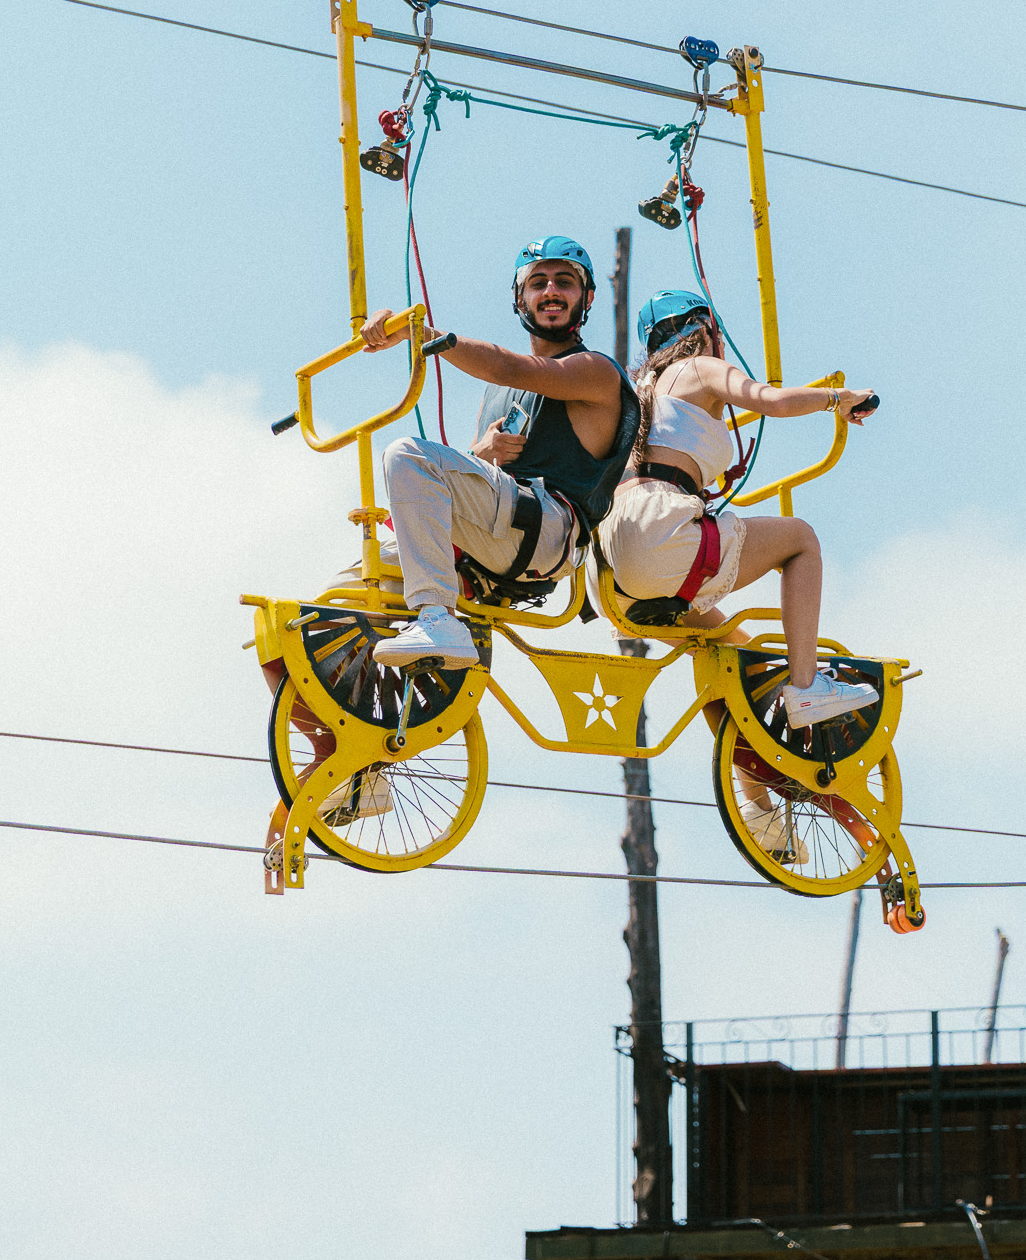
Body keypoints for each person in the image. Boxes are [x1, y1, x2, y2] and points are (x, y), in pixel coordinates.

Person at [597, 289, 881, 844]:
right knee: (800, 540)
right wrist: (839, 397)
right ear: (705, 329)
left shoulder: (639, 394)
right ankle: (806, 687)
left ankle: (760, 811)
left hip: (615, 568)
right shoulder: (700, 367)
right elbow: (769, 399)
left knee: (731, 654)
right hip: (659, 536)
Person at [357, 235, 640, 669]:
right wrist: (481, 452)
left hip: (547, 530)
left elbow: (511, 366)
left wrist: (418, 333)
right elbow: (471, 475)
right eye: (538, 283)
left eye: (564, 282)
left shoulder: (596, 372)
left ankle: (438, 619)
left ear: (587, 298)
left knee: (408, 455)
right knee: (354, 587)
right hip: (502, 527)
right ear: (519, 299)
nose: (551, 291)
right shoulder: (497, 391)